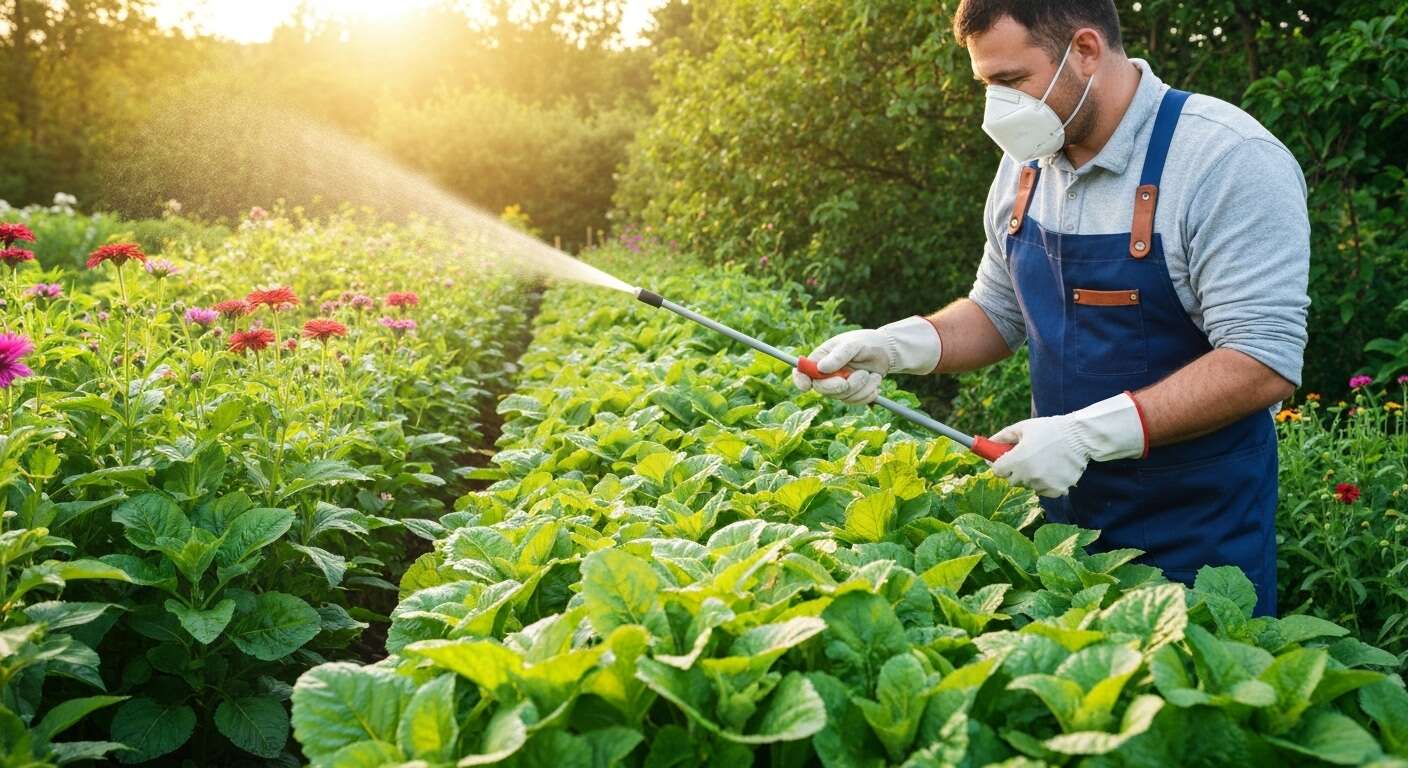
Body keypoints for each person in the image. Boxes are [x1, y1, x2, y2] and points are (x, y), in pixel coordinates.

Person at [793, 0, 1309, 617]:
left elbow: (1261, 360)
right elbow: (996, 312)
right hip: (1062, 531)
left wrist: (1084, 435)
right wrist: (892, 346)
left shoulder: (1226, 159)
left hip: (1196, 535)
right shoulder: (1028, 161)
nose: (1000, 108)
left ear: (1085, 50)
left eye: (1013, 82)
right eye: (989, 85)